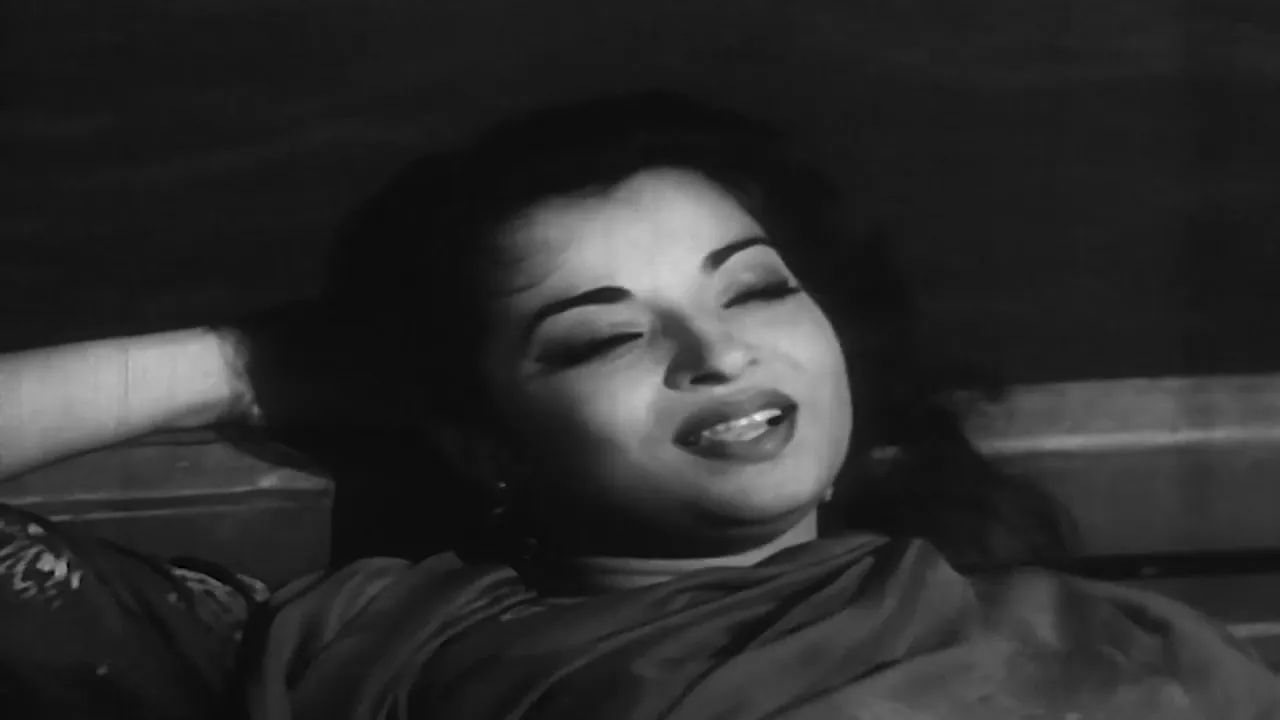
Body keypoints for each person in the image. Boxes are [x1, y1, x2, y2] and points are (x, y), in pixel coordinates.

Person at [1, 91, 1276, 719]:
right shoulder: (374, 647)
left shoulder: (1099, 641)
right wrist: (240, 365)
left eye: (756, 288)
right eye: (604, 337)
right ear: (479, 438)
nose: (713, 351)